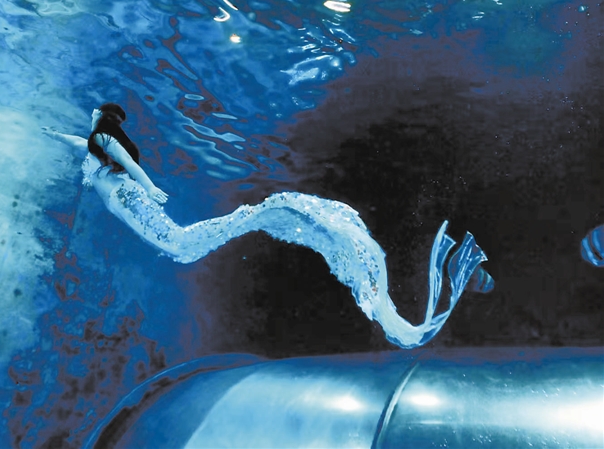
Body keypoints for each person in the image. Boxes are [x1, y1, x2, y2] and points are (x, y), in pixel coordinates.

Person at [44, 103, 493, 349]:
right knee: (181, 245)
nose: (90, 121)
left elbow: (125, 161)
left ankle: (262, 215)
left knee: (181, 244)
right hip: (130, 203)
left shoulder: (104, 139)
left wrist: (151, 187)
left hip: (132, 200)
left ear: (103, 119)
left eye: (94, 117)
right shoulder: (92, 145)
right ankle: (259, 216)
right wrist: (49, 135)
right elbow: (80, 144)